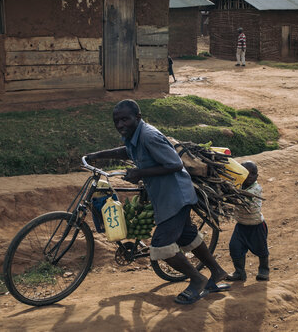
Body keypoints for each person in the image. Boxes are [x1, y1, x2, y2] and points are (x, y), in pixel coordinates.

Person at [85, 99, 230, 304]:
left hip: (175, 196)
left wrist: (140, 173)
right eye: (116, 121)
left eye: (125, 119)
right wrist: (97, 155)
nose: (120, 125)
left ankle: (197, 280)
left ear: (138, 117)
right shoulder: (134, 135)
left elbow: (174, 163)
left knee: (160, 246)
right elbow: (126, 151)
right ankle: (217, 272)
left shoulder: (149, 136)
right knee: (187, 236)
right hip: (165, 195)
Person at [226, 161, 270, 282]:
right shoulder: (237, 186)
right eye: (246, 173)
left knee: (261, 249)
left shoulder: (256, 189)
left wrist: (231, 193)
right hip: (241, 226)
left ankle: (264, 270)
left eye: (253, 173)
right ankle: (239, 272)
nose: (250, 176)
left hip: (256, 226)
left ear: (257, 176)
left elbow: (243, 200)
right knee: (235, 248)